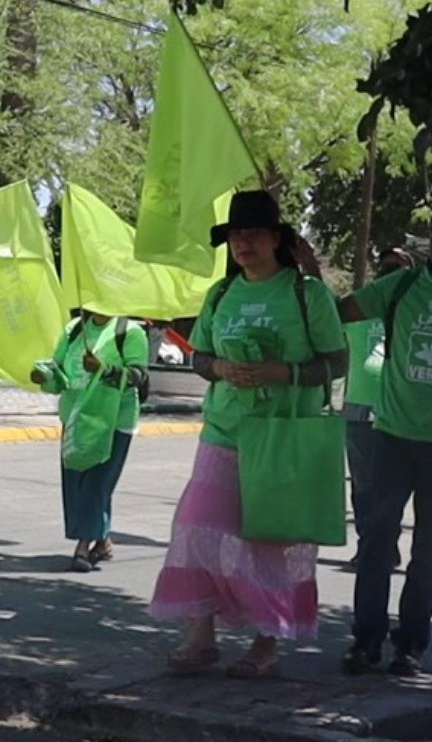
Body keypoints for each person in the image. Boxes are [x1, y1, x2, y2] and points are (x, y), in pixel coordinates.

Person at [147, 190, 347, 678]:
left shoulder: (307, 294)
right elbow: (199, 356)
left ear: (277, 239)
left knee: (269, 542)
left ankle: (266, 645)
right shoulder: (220, 294)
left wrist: (284, 373)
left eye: (254, 234)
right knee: (195, 529)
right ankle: (200, 638)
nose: (243, 244)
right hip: (223, 433)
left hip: (282, 437)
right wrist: (219, 366)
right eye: (236, 235)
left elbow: (337, 362)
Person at [339, 247, 432, 677]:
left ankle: (410, 644)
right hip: (392, 436)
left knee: (428, 553)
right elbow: (343, 311)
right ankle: (367, 639)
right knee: (377, 543)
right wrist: (303, 269)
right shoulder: (402, 285)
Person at [31, 311, 148, 572]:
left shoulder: (129, 332)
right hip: (76, 417)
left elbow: (138, 375)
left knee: (98, 481)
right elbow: (59, 369)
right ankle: (103, 540)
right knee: (77, 481)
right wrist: (43, 375)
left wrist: (105, 369)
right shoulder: (74, 329)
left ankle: (83, 547)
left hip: (114, 420)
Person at [343, 247, 414, 570]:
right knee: (362, 486)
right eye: (385, 266)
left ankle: (387, 544)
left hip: (399, 413)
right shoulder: (363, 307)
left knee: (391, 490)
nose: (389, 271)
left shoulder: (412, 308)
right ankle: (369, 546)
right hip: (358, 409)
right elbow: (329, 315)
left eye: (397, 267)